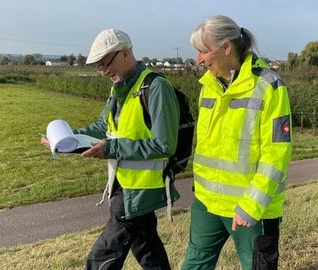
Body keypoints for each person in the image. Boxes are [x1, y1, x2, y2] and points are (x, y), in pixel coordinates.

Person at [41, 28, 179, 270]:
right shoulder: (119, 88)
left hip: (139, 190)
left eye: (105, 65)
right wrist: (66, 139)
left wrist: (112, 148)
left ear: (124, 53)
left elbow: (165, 144)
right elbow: (102, 126)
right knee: (148, 250)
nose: (104, 73)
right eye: (100, 68)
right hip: (121, 184)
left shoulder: (156, 88)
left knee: (101, 257)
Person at [180, 15, 292, 270]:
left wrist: (250, 206)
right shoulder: (208, 86)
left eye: (203, 51)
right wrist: (200, 194)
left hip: (251, 210)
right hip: (206, 204)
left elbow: (276, 156)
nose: (198, 59)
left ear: (227, 47)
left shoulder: (269, 86)